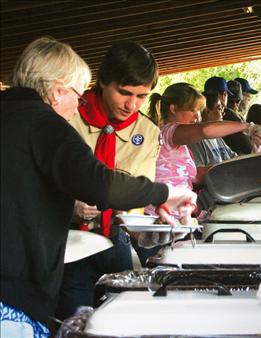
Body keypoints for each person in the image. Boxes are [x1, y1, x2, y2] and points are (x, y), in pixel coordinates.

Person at [0, 37, 197, 336]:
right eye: (76, 95)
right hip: (20, 279)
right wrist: (168, 193)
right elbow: (101, 184)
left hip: (104, 241)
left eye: (142, 96)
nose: (76, 105)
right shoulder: (46, 123)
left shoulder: (11, 115)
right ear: (57, 92)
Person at [56, 40, 162, 319]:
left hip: (116, 242)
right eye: (124, 92)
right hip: (66, 244)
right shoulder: (66, 118)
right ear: (102, 81)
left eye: (142, 96)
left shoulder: (147, 132)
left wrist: (142, 221)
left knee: (120, 320)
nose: (132, 105)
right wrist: (71, 204)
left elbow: (140, 192)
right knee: (72, 321)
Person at [148, 82, 261, 196]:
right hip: (162, 210)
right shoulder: (167, 132)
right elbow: (204, 130)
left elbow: (196, 177)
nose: (197, 116)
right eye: (192, 110)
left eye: (198, 111)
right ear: (173, 109)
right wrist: (249, 127)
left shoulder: (180, 145)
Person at [188, 91, 237, 168]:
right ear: (207, 111)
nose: (223, 113)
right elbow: (199, 173)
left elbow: (234, 158)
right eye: (219, 109)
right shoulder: (195, 141)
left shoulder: (217, 137)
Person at [223, 80, 259, 154]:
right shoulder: (230, 116)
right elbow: (251, 149)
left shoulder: (238, 117)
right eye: (247, 96)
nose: (249, 100)